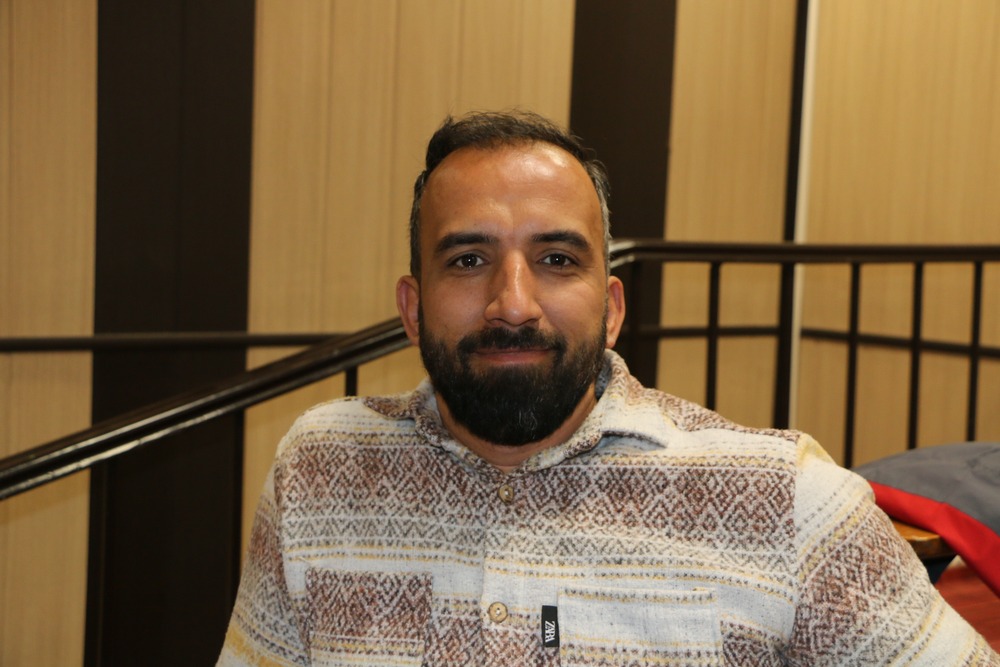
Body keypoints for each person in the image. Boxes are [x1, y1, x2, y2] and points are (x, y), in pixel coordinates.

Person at [218, 110, 998, 666]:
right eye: (468, 259)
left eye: (557, 259)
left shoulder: (782, 498)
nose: (513, 302)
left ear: (613, 308)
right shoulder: (319, 471)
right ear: (413, 310)